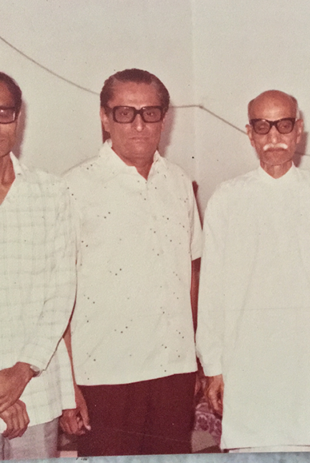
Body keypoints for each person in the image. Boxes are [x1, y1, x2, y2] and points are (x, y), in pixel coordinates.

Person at [195, 90, 310, 452]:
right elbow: (211, 292)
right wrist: (213, 367)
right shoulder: (227, 199)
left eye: (283, 125)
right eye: (262, 126)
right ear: (250, 133)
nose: (273, 137)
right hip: (248, 364)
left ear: (298, 130)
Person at [60, 68, 202, 456]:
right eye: (125, 113)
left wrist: (195, 361)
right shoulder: (73, 188)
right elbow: (58, 296)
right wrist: (67, 385)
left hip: (173, 370)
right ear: (105, 117)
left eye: (150, 113)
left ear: (164, 118)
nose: (139, 124)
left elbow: (190, 274)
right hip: (103, 375)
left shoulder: (179, 183)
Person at [0, 72, 76, 459]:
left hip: (36, 391)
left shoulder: (51, 192)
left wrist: (21, 371)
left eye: (2, 112)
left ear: (18, 118)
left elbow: (61, 292)